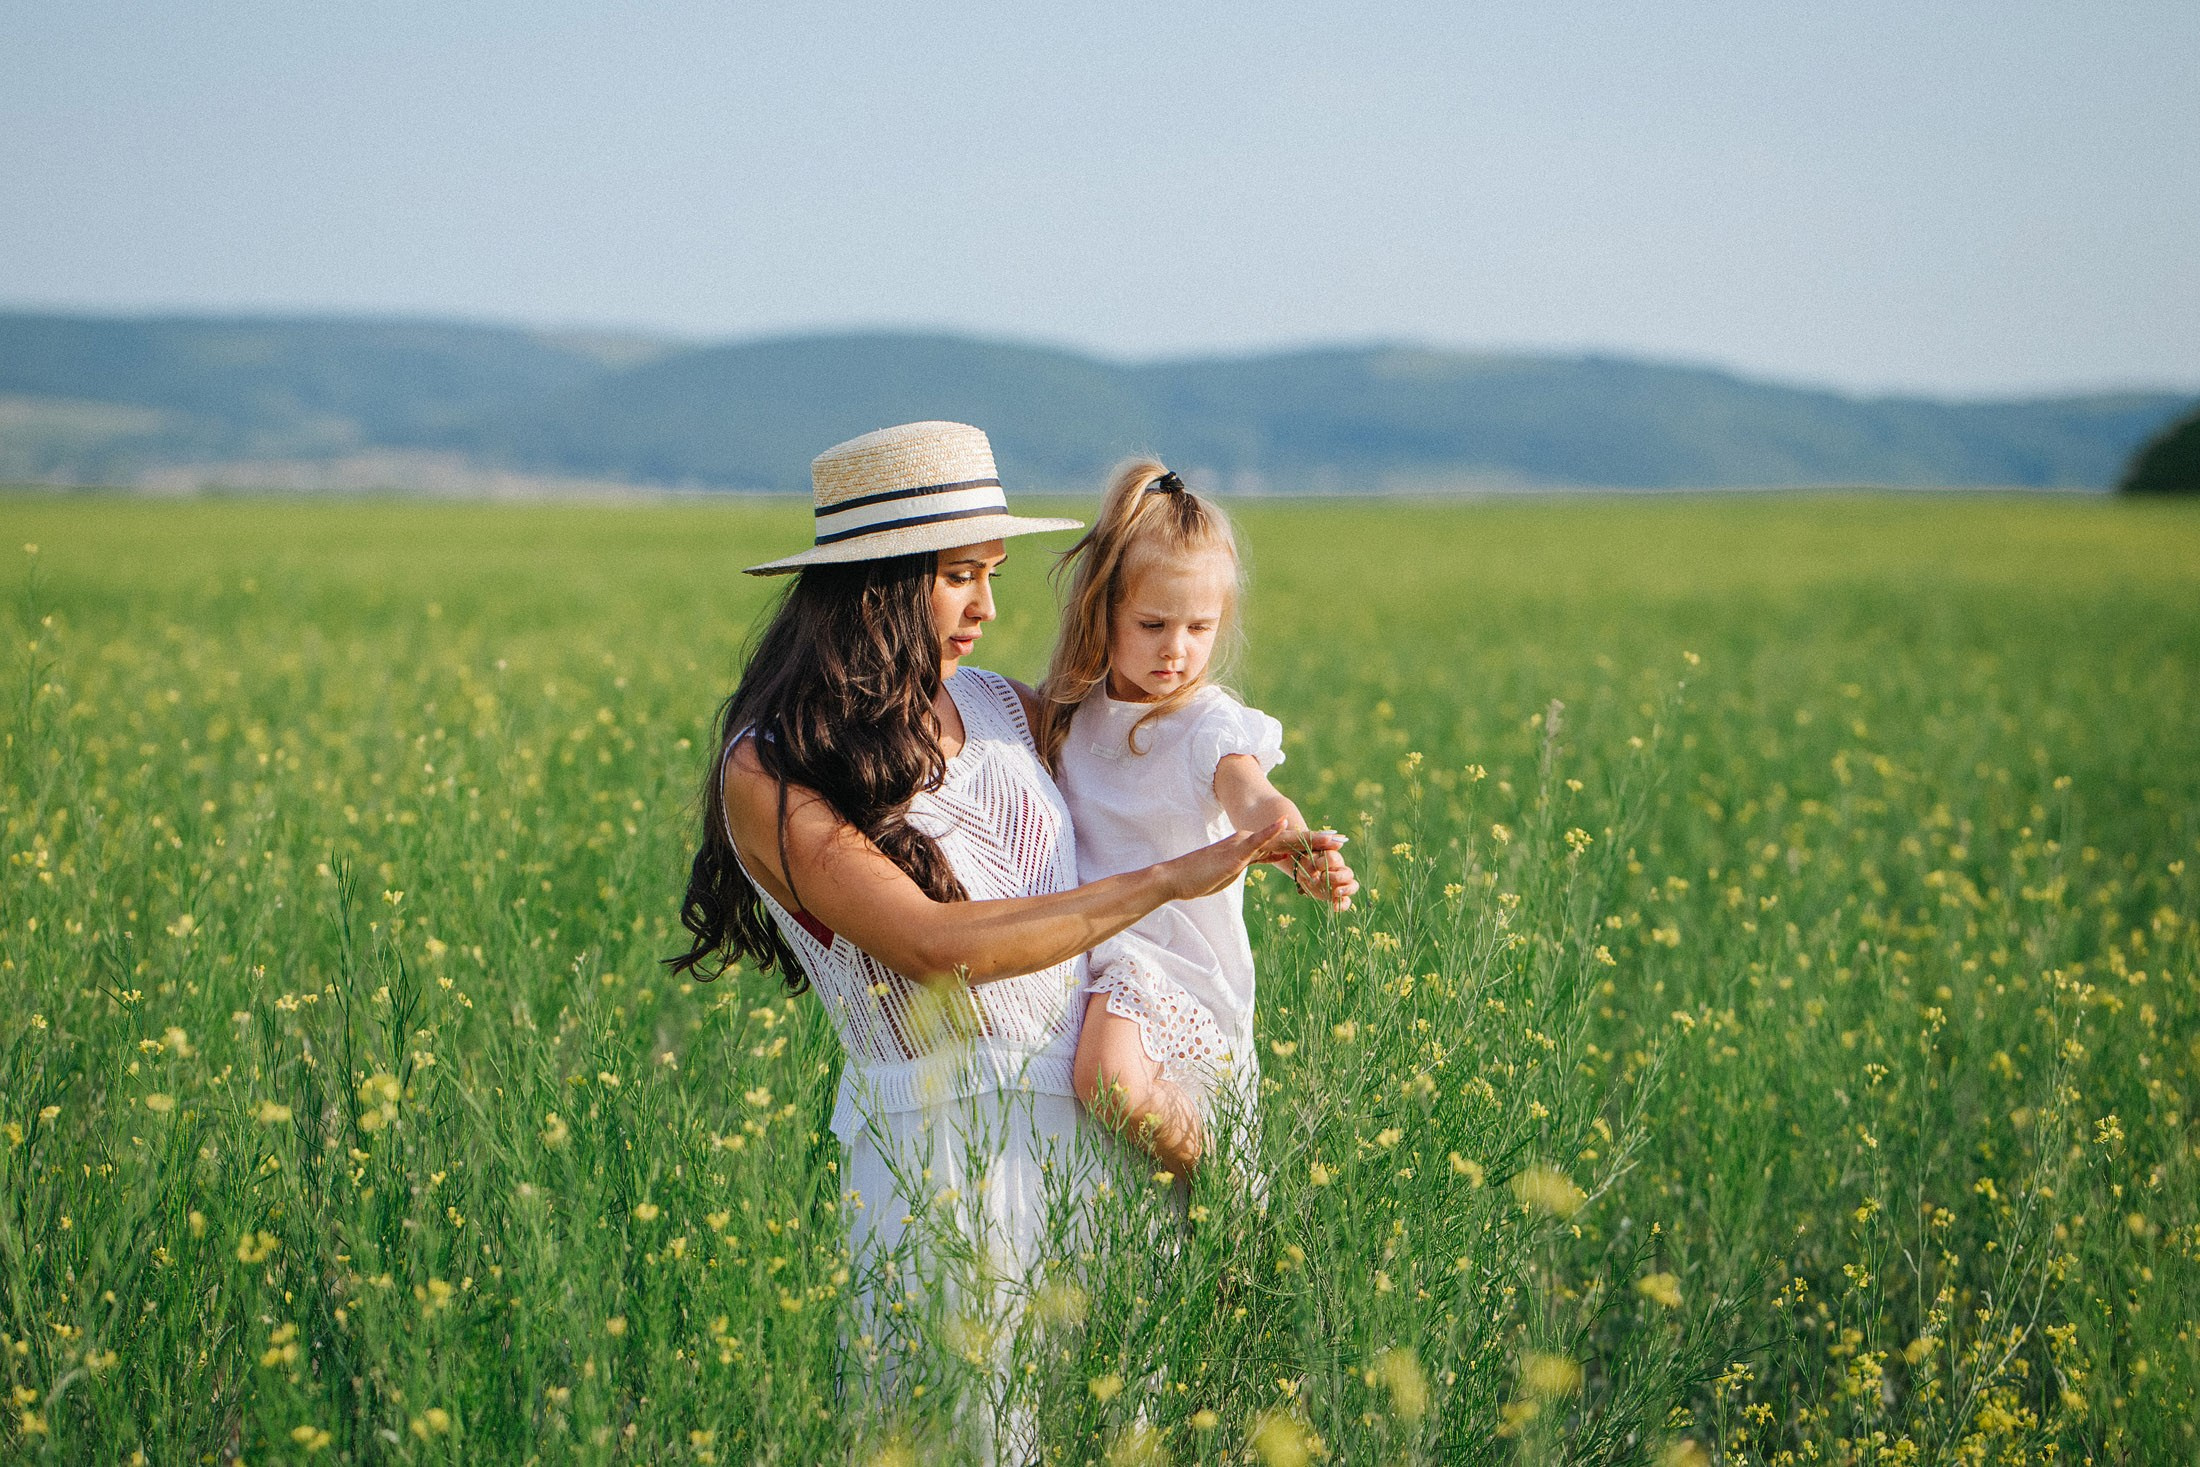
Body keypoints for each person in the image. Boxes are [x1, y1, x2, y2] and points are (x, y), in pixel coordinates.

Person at [666, 422, 1304, 1443]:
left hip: (1104, 1157)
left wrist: (1259, 802)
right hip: (947, 1174)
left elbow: (1162, 720)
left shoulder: (1000, 707)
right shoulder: (772, 770)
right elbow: (933, 945)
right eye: (959, 575)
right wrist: (1167, 879)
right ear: (877, 585)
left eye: (993, 572)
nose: (987, 607)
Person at [1038, 460, 1358, 1174]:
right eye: (1151, 624)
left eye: (1199, 627)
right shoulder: (1072, 714)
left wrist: (1295, 841)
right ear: (1103, 611)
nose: (1175, 649)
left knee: (1107, 1084)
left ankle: (1231, 1189)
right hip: (1088, 945)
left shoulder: (1205, 724)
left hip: (1169, 958)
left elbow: (1252, 795)